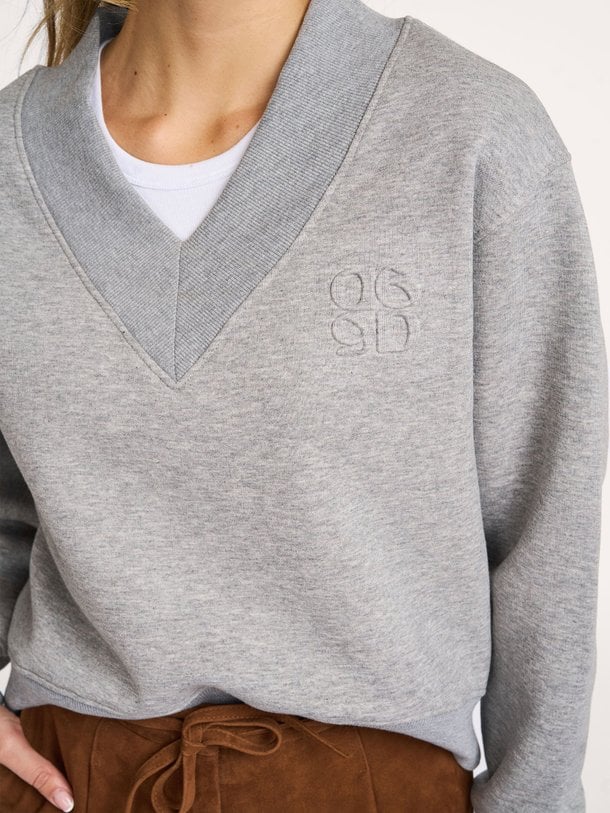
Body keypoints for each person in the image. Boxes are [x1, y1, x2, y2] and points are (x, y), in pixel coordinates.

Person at [0, 0, 607, 810]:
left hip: (370, 787)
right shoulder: (10, 157)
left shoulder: (470, 133)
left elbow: (545, 526)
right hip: (64, 776)